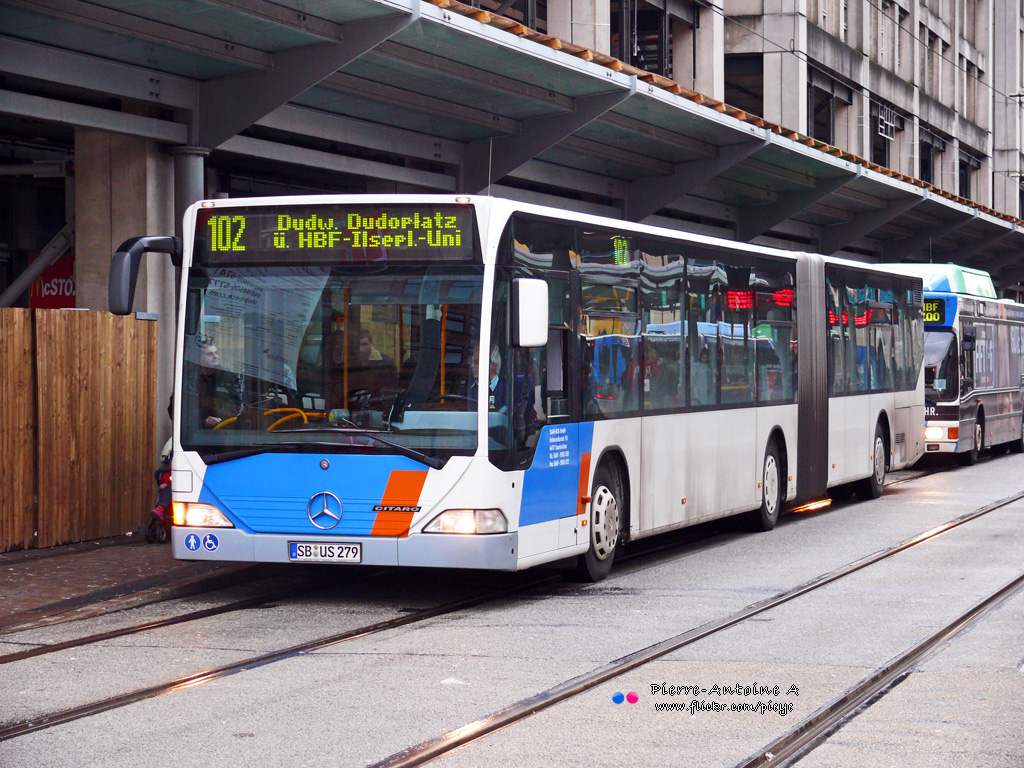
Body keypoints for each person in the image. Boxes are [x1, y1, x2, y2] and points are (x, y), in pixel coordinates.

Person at [196, 340, 241, 428]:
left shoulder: (229, 377)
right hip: (196, 432)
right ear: (199, 358)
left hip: (224, 430)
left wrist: (219, 419)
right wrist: (203, 420)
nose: (215, 356)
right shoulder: (191, 378)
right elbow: (177, 409)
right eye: (210, 354)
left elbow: (237, 406)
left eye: (216, 353)